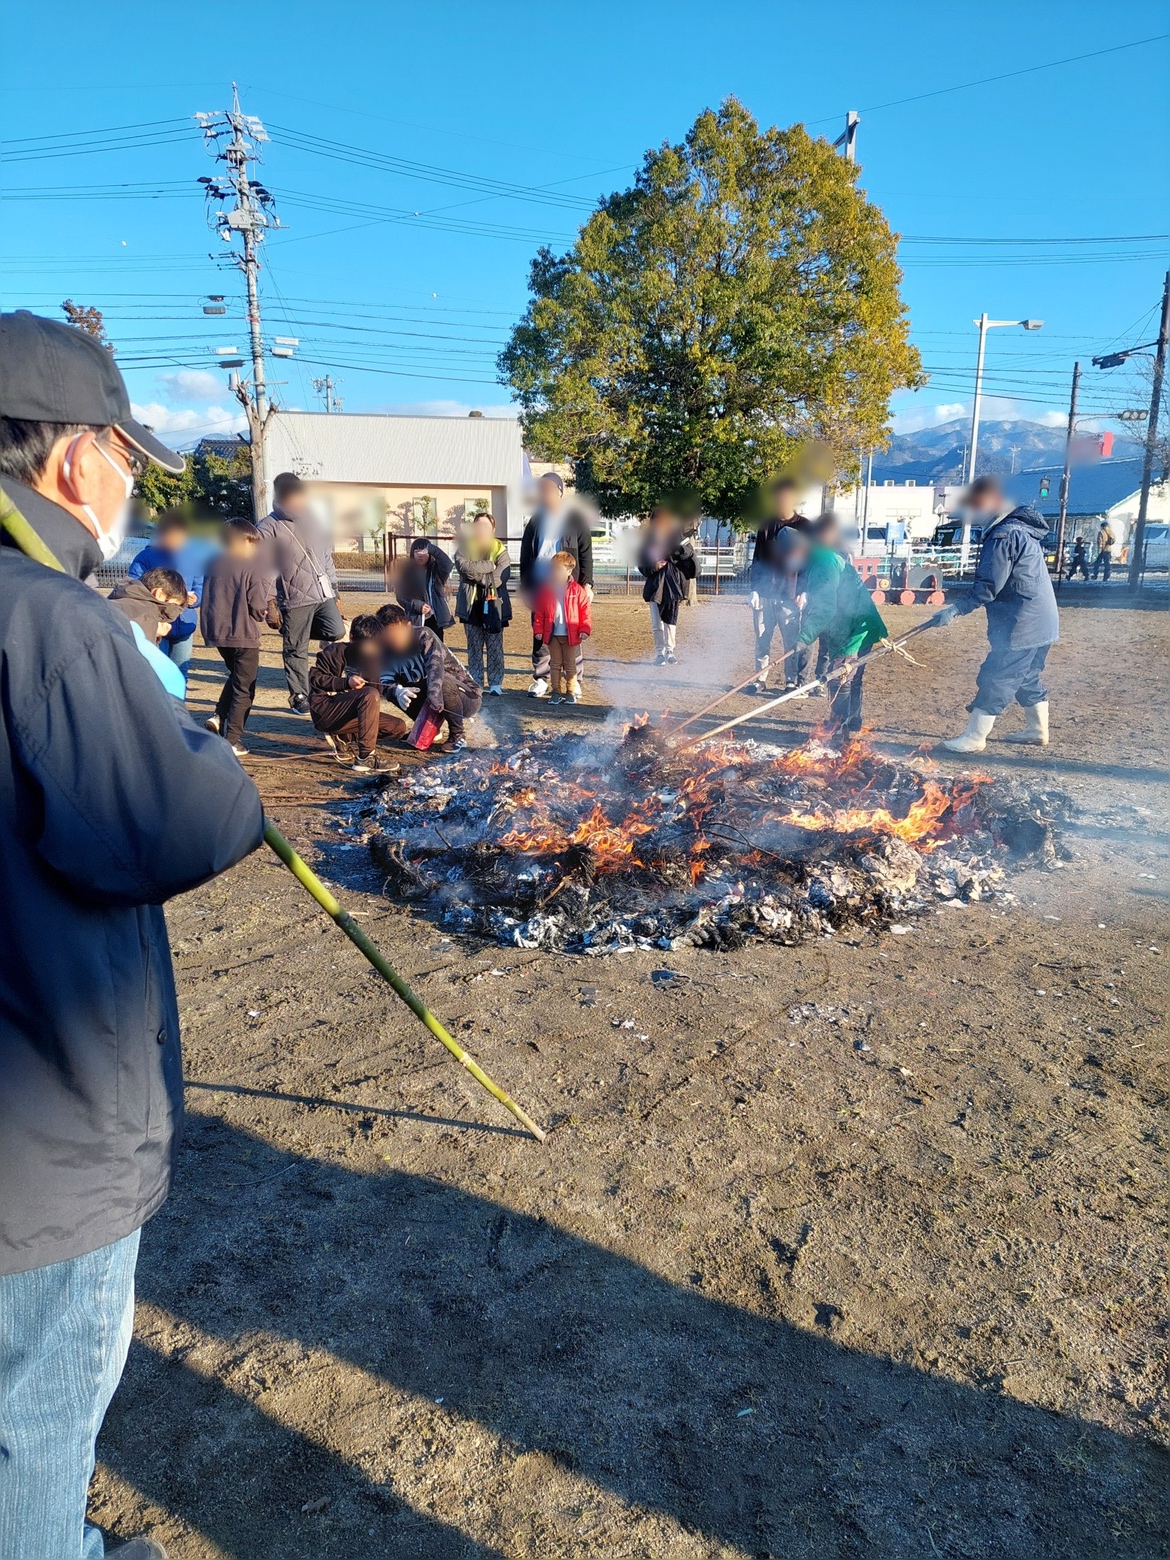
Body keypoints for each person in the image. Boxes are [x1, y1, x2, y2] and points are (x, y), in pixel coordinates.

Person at [0, 309, 265, 1560]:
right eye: (124, 458)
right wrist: (200, 746)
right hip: (35, 1126)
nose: (131, 489)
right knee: (35, 1419)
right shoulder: (49, 620)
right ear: (67, 462)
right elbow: (181, 822)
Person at [934, 474, 1059, 752]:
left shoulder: (1003, 535)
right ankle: (1037, 729)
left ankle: (975, 737)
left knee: (998, 674)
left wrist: (955, 610)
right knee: (1025, 675)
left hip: (1022, 621)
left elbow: (989, 585)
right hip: (1041, 620)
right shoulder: (1017, 530)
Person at [257, 471, 344, 716]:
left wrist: (335, 590)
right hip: (293, 598)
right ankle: (299, 695)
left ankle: (296, 633)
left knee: (336, 630)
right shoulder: (269, 527)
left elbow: (326, 555)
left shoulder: (314, 519)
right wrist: (270, 602)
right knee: (296, 648)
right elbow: (263, 568)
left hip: (322, 593)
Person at [797, 512, 887, 738]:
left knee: (841, 675)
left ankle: (840, 727)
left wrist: (804, 638)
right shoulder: (827, 557)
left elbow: (825, 608)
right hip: (859, 622)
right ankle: (851, 721)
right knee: (851, 675)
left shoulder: (824, 561)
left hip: (852, 627)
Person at [200, 519, 272, 756]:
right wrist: (267, 613)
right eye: (253, 544)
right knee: (245, 688)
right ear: (242, 542)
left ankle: (218, 717)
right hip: (243, 635)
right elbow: (256, 605)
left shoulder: (212, 564)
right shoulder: (250, 567)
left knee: (236, 677)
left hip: (218, 634)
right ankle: (233, 739)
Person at [518, 472, 594, 697]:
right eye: (541, 490)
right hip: (542, 586)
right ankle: (541, 678)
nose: (544, 494)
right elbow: (526, 555)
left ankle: (574, 679)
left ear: (560, 492)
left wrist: (587, 584)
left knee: (571, 629)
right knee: (542, 631)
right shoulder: (535, 521)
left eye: (549, 489)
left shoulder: (575, 519)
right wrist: (525, 587)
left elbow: (586, 552)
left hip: (569, 588)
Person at [376, 602, 482, 751]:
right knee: (397, 691)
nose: (394, 641)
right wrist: (396, 691)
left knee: (441, 682)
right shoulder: (384, 649)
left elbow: (435, 668)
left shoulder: (424, 635)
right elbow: (383, 680)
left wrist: (434, 695)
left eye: (396, 635)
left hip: (467, 696)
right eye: (388, 637)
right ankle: (429, 728)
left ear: (407, 626)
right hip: (431, 701)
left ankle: (458, 735)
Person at [310, 612, 407, 772]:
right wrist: (346, 682)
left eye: (375, 645)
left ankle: (343, 737)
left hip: (353, 716)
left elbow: (376, 691)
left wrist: (396, 691)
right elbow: (315, 679)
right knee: (369, 694)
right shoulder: (334, 651)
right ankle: (365, 757)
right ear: (352, 637)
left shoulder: (374, 659)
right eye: (367, 645)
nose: (371, 649)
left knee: (398, 727)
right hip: (326, 712)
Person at [127, 511, 214, 688]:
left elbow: (200, 584)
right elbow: (133, 586)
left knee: (181, 671)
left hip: (184, 623)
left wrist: (195, 598)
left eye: (180, 537)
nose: (176, 541)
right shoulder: (146, 557)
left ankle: (178, 711)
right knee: (158, 671)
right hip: (156, 625)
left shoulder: (193, 556)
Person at [454, 510, 512, 694]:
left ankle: (496, 684)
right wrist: (488, 567)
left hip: (494, 604)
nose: (481, 529)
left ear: (493, 529)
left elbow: (501, 575)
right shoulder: (465, 547)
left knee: (495, 645)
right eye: (478, 525)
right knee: (474, 647)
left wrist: (478, 575)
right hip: (471, 605)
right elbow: (463, 567)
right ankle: (476, 682)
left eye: (486, 526)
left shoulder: (500, 550)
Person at [531, 550, 593, 705]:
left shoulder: (577, 591)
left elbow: (585, 611)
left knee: (570, 664)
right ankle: (556, 691)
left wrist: (584, 629)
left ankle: (571, 691)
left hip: (571, 636)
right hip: (553, 636)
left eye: (558, 570)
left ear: (569, 571)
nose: (554, 573)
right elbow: (539, 612)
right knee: (555, 664)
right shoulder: (546, 591)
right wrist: (538, 630)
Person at [637, 506, 696, 665]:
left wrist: (678, 549)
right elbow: (642, 564)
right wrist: (653, 566)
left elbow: (688, 554)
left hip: (672, 585)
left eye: (663, 522)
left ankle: (670, 650)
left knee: (670, 620)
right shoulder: (648, 541)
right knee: (657, 622)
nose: (659, 525)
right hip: (655, 585)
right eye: (656, 522)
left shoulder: (677, 537)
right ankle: (660, 653)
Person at [108, 564, 188, 642]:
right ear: (159, 594)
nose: (176, 614)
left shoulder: (116, 599)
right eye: (175, 607)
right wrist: (153, 631)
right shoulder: (147, 616)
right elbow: (138, 653)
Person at [395, 536, 454, 638]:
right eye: (417, 552)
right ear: (412, 554)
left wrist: (432, 548)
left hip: (435, 618)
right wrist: (417, 605)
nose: (420, 555)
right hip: (416, 619)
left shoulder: (436, 570)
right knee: (416, 649)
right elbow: (401, 595)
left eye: (424, 552)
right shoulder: (407, 572)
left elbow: (448, 564)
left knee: (436, 651)